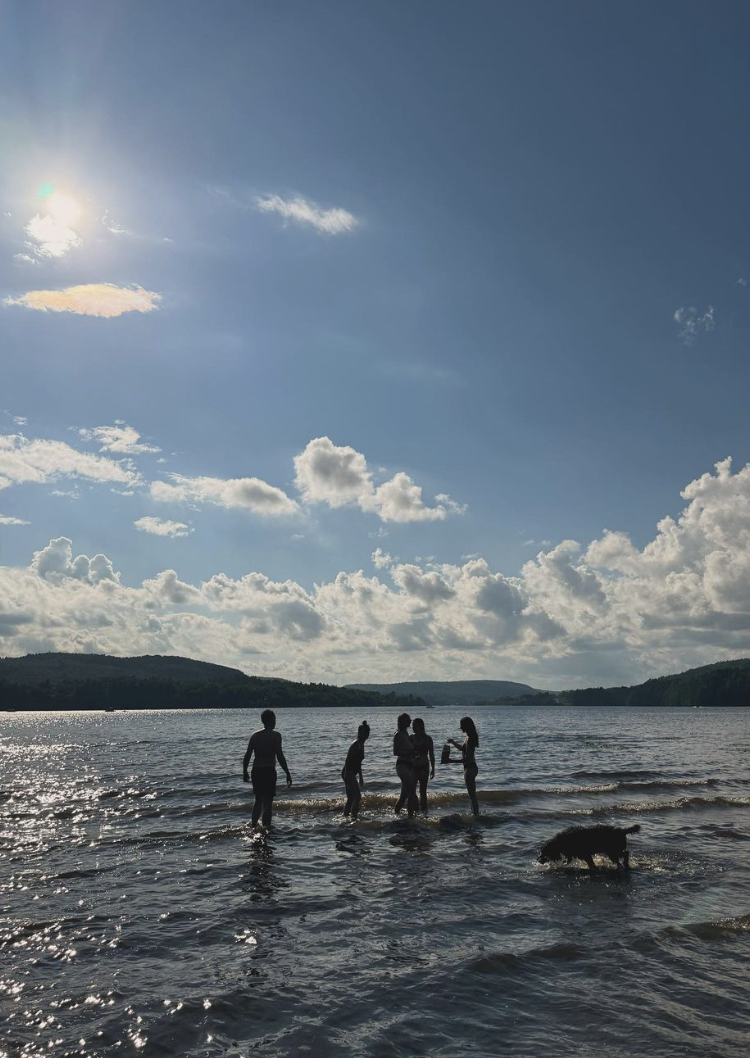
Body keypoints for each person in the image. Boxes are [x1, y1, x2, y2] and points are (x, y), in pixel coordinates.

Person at [242, 709, 292, 827]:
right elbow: (279, 756)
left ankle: (254, 825)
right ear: (271, 720)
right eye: (274, 719)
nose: (275, 721)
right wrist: (287, 773)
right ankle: (266, 828)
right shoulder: (276, 736)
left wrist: (244, 771)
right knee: (268, 803)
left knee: (258, 800)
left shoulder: (255, 736)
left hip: (257, 771)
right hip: (269, 771)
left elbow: (247, 755)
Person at [447, 716, 480, 816]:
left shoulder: (470, 739)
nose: (460, 727)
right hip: (472, 767)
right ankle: (475, 813)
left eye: (461, 725)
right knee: (472, 795)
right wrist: (453, 742)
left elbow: (467, 757)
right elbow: (462, 749)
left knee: (472, 795)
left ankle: (476, 815)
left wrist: (451, 761)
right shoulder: (469, 737)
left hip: (469, 768)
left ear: (466, 726)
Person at [341, 721, 370, 820]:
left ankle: (345, 816)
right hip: (348, 772)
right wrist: (348, 775)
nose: (365, 735)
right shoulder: (356, 744)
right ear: (359, 733)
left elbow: (358, 762)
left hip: (350, 773)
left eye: (367, 733)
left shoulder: (361, 744)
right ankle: (353, 818)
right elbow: (348, 761)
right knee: (357, 797)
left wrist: (361, 777)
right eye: (363, 733)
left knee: (350, 798)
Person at [393, 712, 418, 817]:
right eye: (408, 720)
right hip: (402, 765)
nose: (410, 721)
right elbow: (396, 752)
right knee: (412, 793)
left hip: (409, 765)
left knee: (404, 795)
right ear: (403, 722)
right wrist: (411, 753)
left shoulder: (406, 734)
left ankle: (396, 813)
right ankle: (411, 817)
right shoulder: (398, 734)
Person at [410, 717, 435, 812]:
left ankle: (424, 811)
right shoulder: (411, 737)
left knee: (423, 791)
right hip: (413, 766)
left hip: (424, 766)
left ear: (420, 726)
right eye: (412, 725)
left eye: (414, 725)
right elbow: (407, 752)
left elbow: (431, 754)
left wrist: (433, 768)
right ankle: (415, 809)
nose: (412, 727)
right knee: (412, 790)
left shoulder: (428, 739)